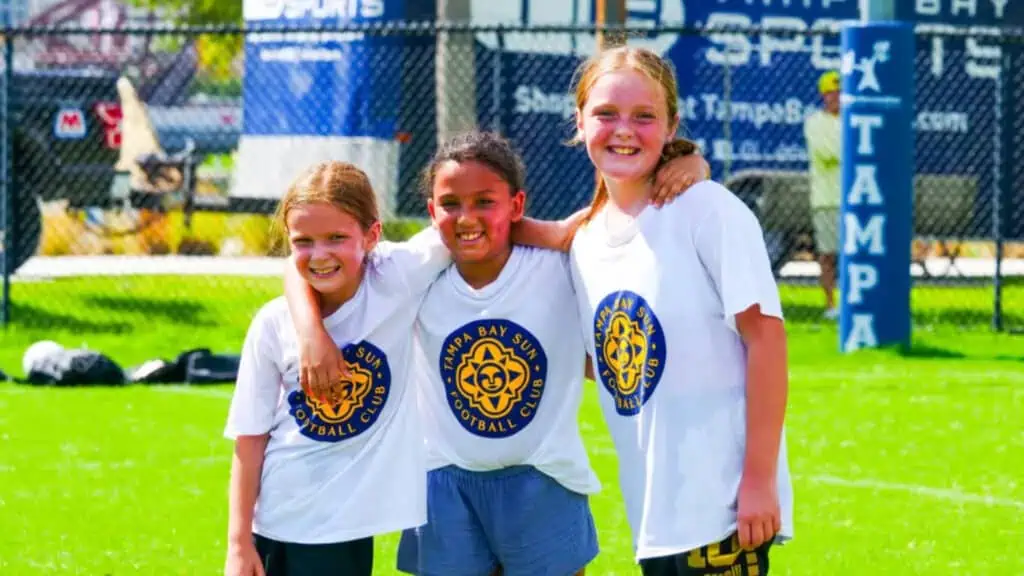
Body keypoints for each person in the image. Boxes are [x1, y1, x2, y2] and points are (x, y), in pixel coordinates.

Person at [285, 133, 709, 576]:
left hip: (544, 477)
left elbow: (639, 212)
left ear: (516, 204)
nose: (466, 217)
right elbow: (303, 263)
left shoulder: (563, 263)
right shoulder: (414, 271)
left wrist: (694, 165)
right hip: (443, 482)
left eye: (485, 201)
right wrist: (312, 334)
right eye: (450, 204)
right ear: (432, 213)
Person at [567, 46, 794, 576]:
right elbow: (605, 362)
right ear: (579, 122)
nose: (624, 129)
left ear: (672, 127)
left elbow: (767, 340)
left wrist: (759, 479)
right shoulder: (585, 242)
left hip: (722, 508)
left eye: (644, 116)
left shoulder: (708, 210)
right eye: (606, 114)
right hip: (653, 512)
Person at [223, 161, 451, 576]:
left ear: (372, 235)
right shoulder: (273, 324)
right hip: (276, 516)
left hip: (342, 530)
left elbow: (468, 225)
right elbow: (249, 437)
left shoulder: (396, 278)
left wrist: (562, 235)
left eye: (336, 238)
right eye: (303, 241)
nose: (320, 254)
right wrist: (238, 543)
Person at [804, 70, 842, 320]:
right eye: (831, 93)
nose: (836, 97)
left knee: (852, 257)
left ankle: (850, 304)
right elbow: (828, 153)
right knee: (828, 255)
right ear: (823, 95)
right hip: (827, 199)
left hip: (854, 201)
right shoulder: (814, 122)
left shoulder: (853, 120)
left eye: (839, 93)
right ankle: (830, 306)